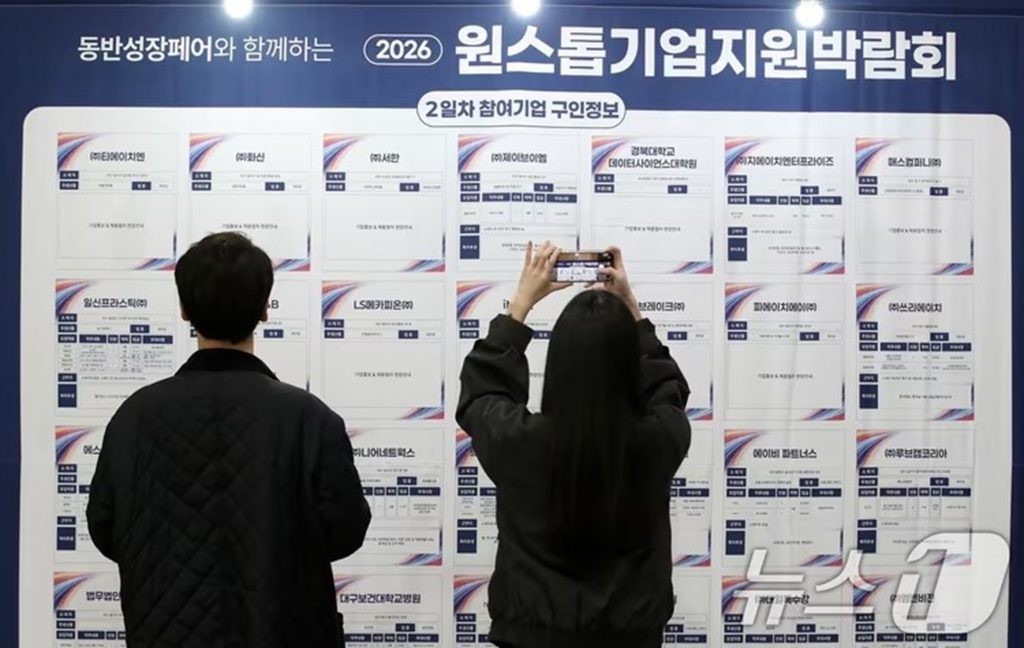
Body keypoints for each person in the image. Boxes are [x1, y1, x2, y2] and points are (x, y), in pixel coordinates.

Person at [87, 232, 371, 648]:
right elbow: (345, 529)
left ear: (184, 310)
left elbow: (106, 528)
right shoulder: (309, 418)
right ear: (265, 309)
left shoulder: (135, 417)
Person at [456, 242, 692, 648]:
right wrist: (631, 307)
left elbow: (482, 392)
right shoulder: (660, 440)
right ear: (627, 364)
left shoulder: (518, 441)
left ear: (558, 362)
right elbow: (667, 387)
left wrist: (521, 304)